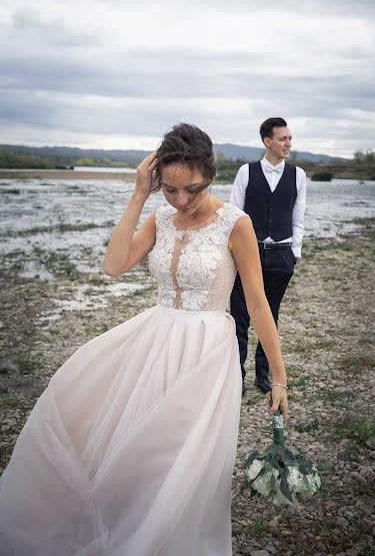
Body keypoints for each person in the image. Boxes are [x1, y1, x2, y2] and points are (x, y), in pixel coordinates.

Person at [0, 123, 288, 556]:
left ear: (210, 175)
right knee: (131, 444)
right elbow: (114, 265)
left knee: (183, 459)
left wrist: (279, 377)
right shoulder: (159, 218)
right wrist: (139, 196)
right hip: (154, 340)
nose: (182, 201)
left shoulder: (236, 224)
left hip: (207, 352)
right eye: (169, 190)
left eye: (191, 189)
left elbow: (258, 304)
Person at [230, 117, 306, 395]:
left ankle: (263, 375)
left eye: (289, 138)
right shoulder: (246, 172)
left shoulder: (298, 175)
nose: (288, 143)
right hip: (247, 255)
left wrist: (293, 254)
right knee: (239, 317)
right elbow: (233, 215)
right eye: (283, 138)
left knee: (270, 317)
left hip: (281, 257)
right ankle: (235, 375)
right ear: (267, 142)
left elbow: (298, 219)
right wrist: (235, 253)